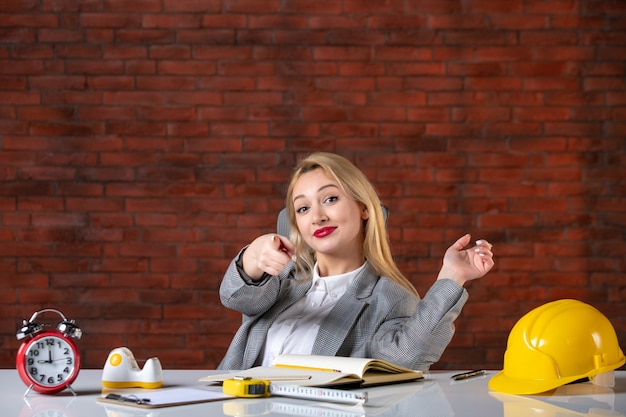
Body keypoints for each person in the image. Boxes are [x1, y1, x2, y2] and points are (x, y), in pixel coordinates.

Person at [218, 152, 495, 371]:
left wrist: (452, 276)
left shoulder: (389, 298)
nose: (317, 216)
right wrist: (252, 256)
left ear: (363, 208)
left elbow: (404, 359)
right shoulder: (280, 279)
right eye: (303, 208)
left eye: (330, 199)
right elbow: (235, 297)